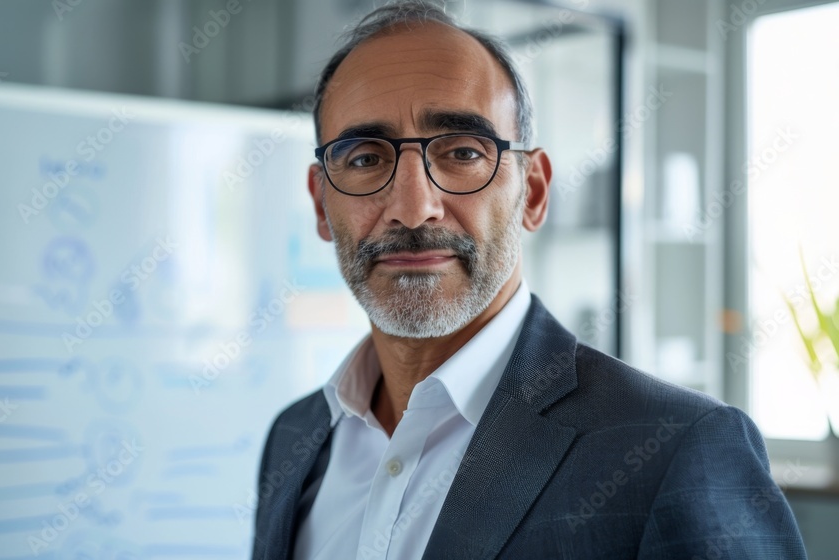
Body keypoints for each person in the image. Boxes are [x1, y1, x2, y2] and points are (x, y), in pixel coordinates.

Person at [251, 2, 807, 558]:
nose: (414, 207)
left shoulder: (679, 450)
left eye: (464, 153)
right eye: (366, 159)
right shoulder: (294, 439)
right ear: (322, 205)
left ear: (534, 192)